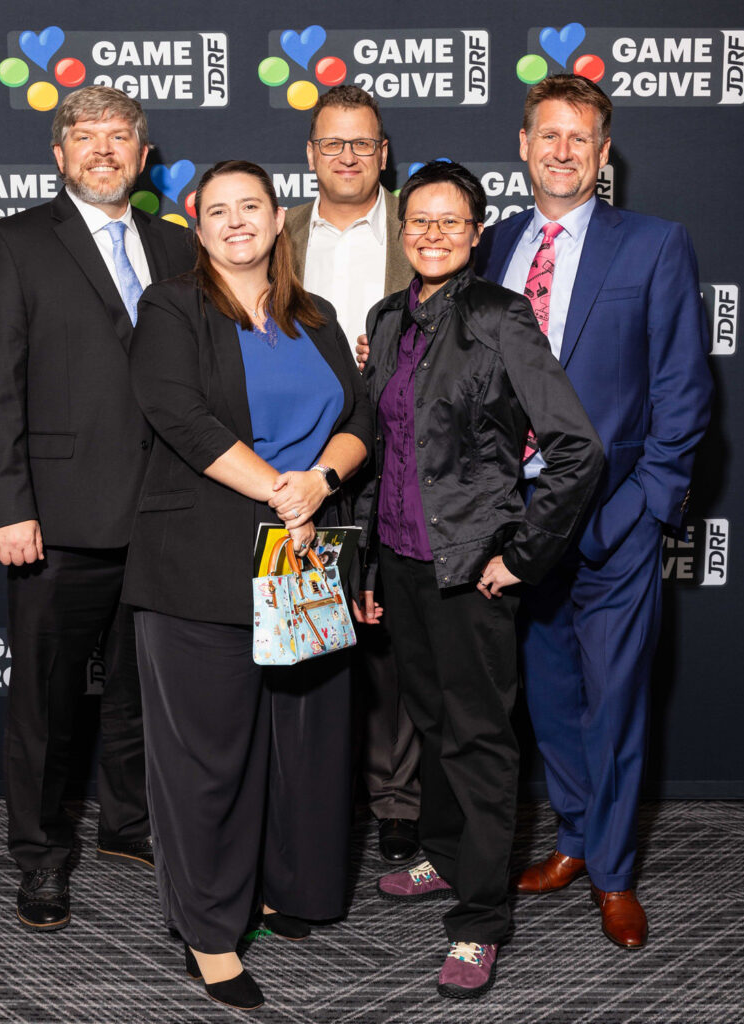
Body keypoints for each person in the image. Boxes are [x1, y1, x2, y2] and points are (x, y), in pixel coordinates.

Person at [121, 161, 372, 1010]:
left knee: (300, 742)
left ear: (277, 218)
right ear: (199, 229)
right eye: (217, 211)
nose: (235, 222)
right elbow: (177, 415)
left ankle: (282, 888)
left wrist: (319, 486)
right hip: (200, 561)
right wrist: (280, 488)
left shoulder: (317, 316)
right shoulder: (171, 308)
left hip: (306, 562)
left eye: (250, 207)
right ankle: (208, 931)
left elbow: (358, 419)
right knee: (207, 759)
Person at [354, 160, 604, 998]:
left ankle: (479, 921)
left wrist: (521, 553)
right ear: (403, 231)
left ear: (474, 233)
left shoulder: (500, 317)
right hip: (400, 560)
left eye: (448, 222)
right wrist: (369, 563)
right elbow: (381, 454)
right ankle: (449, 856)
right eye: (417, 222)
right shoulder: (386, 318)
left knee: (481, 742)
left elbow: (577, 449)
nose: (430, 235)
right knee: (429, 723)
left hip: (471, 571)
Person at [475, 74, 713, 948]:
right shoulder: (492, 244)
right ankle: (573, 838)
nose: (562, 150)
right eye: (548, 134)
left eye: (580, 137)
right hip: (514, 528)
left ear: (602, 152)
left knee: (614, 703)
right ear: (524, 145)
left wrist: (647, 507)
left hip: (614, 519)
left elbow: (682, 390)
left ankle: (612, 873)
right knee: (550, 695)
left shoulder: (653, 245)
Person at [0, 86, 194, 932]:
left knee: (145, 693)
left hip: (167, 518)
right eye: (84, 136)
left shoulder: (176, 246)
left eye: (119, 135)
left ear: (141, 154)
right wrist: (8, 508)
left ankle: (129, 826)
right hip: (55, 520)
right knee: (46, 706)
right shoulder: (12, 243)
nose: (103, 148)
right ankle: (40, 857)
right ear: (58, 156)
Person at [285, 84, 419, 865]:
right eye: (332, 143)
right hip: (302, 459)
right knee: (305, 629)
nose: (346, 156)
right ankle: (312, 793)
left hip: (401, 454)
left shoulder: (420, 225)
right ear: (310, 155)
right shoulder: (276, 234)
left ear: (382, 153)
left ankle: (397, 800)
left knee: (392, 635)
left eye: (361, 143)